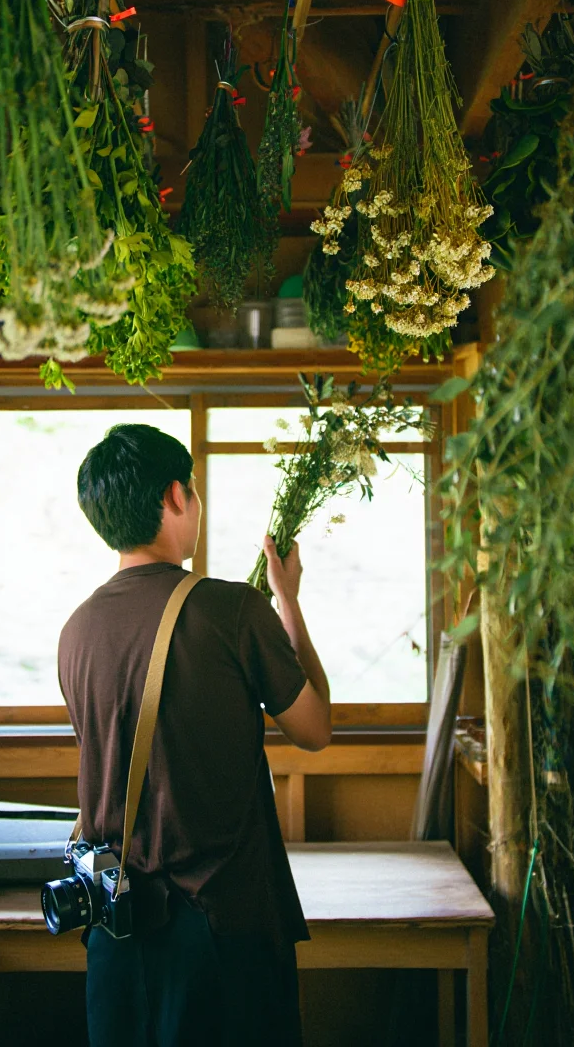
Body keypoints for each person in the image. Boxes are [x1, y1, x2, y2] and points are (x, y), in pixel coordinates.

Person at [58, 422, 332, 1047]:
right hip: (219, 931)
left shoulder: (76, 631)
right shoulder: (230, 609)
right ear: (177, 495)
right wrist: (287, 602)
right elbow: (315, 728)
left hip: (116, 926)